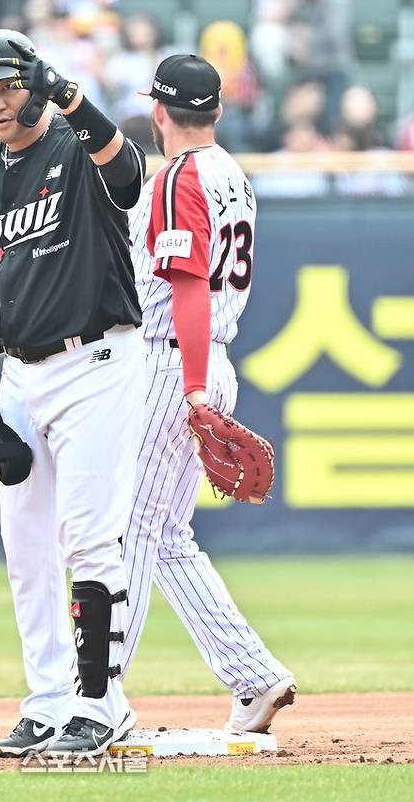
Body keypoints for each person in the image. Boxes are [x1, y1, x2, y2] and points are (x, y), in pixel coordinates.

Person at [0, 28, 146, 756]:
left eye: (6, 87)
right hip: (19, 371)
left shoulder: (73, 148)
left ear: (34, 81)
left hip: (96, 359)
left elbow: (128, 178)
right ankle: (49, 699)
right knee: (25, 545)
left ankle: (102, 703)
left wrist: (72, 98)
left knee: (87, 534)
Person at [122, 53, 297, 733]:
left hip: (176, 362)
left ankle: (97, 696)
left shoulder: (178, 178)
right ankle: (253, 674)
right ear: (218, 112)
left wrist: (193, 387)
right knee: (166, 534)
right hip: (206, 357)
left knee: (130, 526)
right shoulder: (232, 173)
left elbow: (188, 281)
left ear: (159, 111)